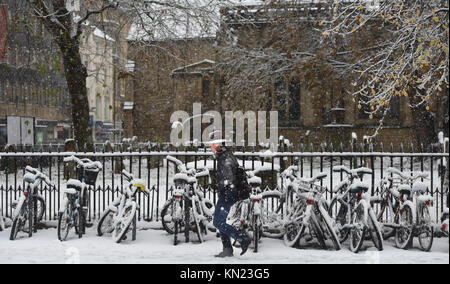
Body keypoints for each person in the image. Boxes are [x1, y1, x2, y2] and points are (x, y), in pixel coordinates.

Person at [209, 131, 251, 257]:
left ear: (218, 144)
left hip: (229, 193)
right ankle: (227, 249)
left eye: (212, 145)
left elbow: (228, 178)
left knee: (217, 222)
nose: (210, 147)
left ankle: (243, 239)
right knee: (221, 221)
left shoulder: (225, 158)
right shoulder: (224, 155)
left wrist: (222, 186)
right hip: (228, 192)